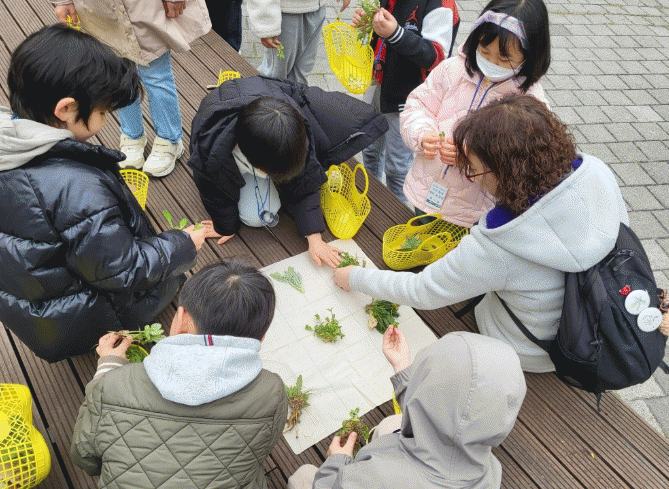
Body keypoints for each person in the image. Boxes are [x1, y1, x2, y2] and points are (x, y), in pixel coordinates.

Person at [334, 94, 628, 373]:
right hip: (589, 327)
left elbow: (422, 291)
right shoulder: (596, 172)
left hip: (528, 349)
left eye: (474, 170)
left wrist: (354, 277)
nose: (471, 178)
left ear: (505, 172)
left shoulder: (499, 243)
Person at [0, 25, 214, 362]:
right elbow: (123, 269)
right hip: (91, 318)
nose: (104, 121)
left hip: (40, 313)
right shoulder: (76, 188)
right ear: (66, 109)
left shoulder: (9, 146)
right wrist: (184, 243)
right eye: (101, 113)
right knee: (167, 280)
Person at [71, 261, 288, 488]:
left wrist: (107, 368)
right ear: (261, 338)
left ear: (181, 318)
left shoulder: (112, 385)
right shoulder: (271, 392)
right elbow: (260, 451)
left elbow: (84, 457)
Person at [188, 75, 388, 268]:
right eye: (270, 172)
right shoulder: (211, 149)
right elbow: (212, 189)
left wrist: (315, 239)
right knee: (253, 218)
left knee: (271, 206)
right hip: (229, 142)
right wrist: (224, 226)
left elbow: (305, 180)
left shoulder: (296, 134)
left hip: (261, 118)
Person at [287, 328, 526, 489]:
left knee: (303, 475)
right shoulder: (490, 469)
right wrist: (402, 368)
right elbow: (445, 413)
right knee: (391, 424)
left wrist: (336, 462)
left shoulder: (376, 477)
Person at [400, 0, 550, 226]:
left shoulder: (529, 104)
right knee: (418, 240)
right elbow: (417, 105)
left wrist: (471, 157)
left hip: (473, 216)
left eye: (504, 59)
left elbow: (524, 164)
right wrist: (422, 135)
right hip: (425, 191)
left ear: (532, 55)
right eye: (484, 51)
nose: (491, 63)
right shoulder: (453, 69)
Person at [53, 0, 211, 177]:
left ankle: (170, 139)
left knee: (157, 76)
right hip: (100, 11)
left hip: (145, 8)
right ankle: (132, 135)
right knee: (117, 76)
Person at [352, 0, 460, 204]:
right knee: (370, 148)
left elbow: (435, 57)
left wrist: (395, 33)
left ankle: (397, 212)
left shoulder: (441, 5)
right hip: (378, 84)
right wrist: (368, 25)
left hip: (407, 98)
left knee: (397, 167)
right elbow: (380, 34)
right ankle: (370, 200)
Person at [248, 0, 349, 85]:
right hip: (287, 11)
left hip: (318, 8)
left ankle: (293, 101)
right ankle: (262, 100)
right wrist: (266, 23)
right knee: (275, 73)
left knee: (302, 74)